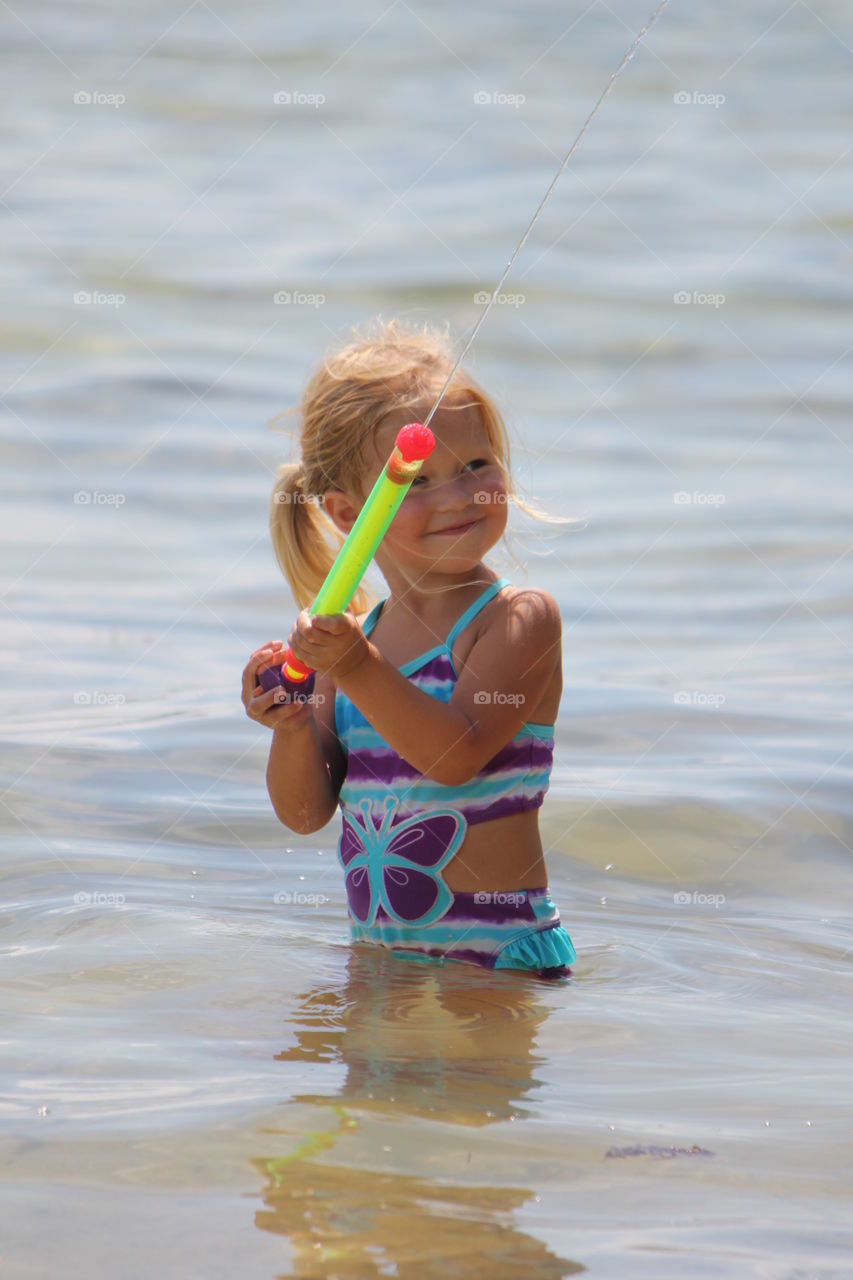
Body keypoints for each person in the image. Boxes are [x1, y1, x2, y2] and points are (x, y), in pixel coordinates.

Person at [242, 319, 577, 979]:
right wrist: (287, 729)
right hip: (382, 964)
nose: (457, 495)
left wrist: (352, 667)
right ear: (346, 513)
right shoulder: (358, 641)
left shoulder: (516, 620)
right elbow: (306, 812)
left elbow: (455, 756)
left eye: (476, 466)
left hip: (496, 963)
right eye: (416, 482)